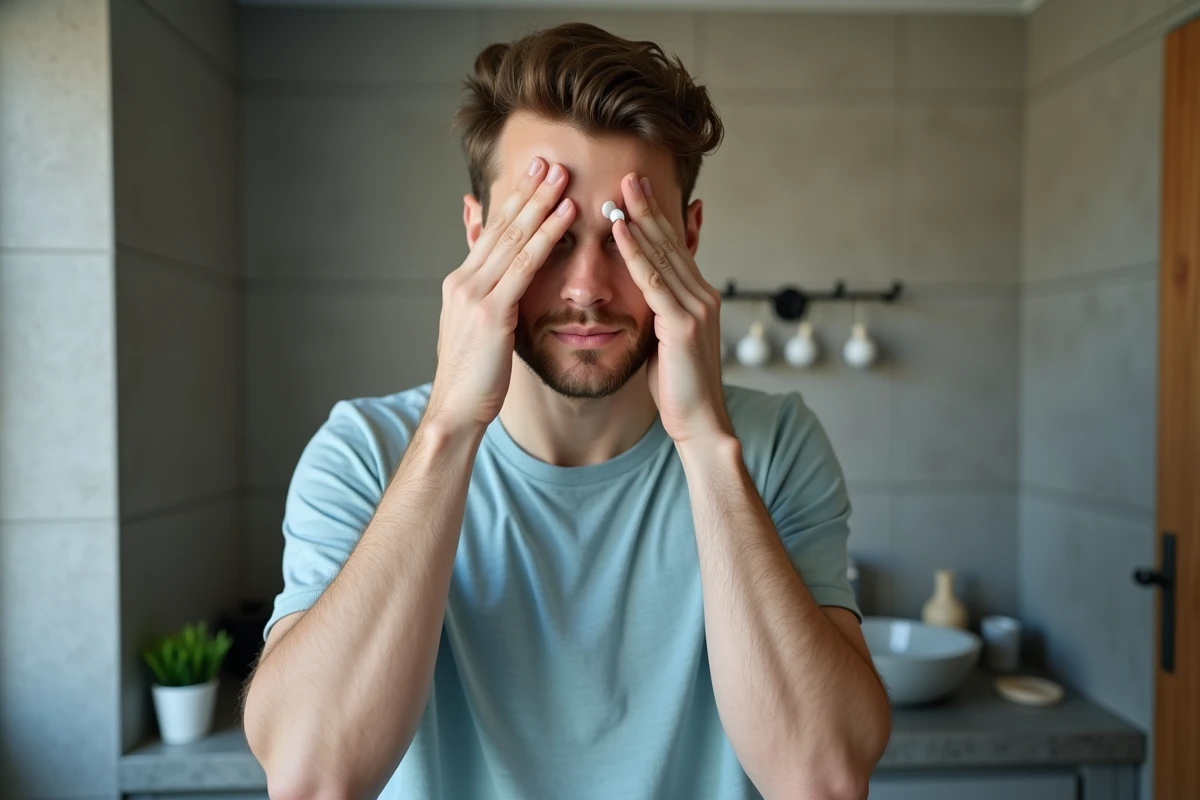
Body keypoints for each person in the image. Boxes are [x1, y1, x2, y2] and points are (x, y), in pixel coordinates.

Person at [243, 22, 891, 800]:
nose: (586, 287)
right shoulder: (362, 452)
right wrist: (451, 425)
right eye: (545, 235)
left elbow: (822, 778)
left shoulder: (774, 444)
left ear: (685, 240)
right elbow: (312, 777)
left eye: (626, 238)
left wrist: (704, 440)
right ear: (479, 235)